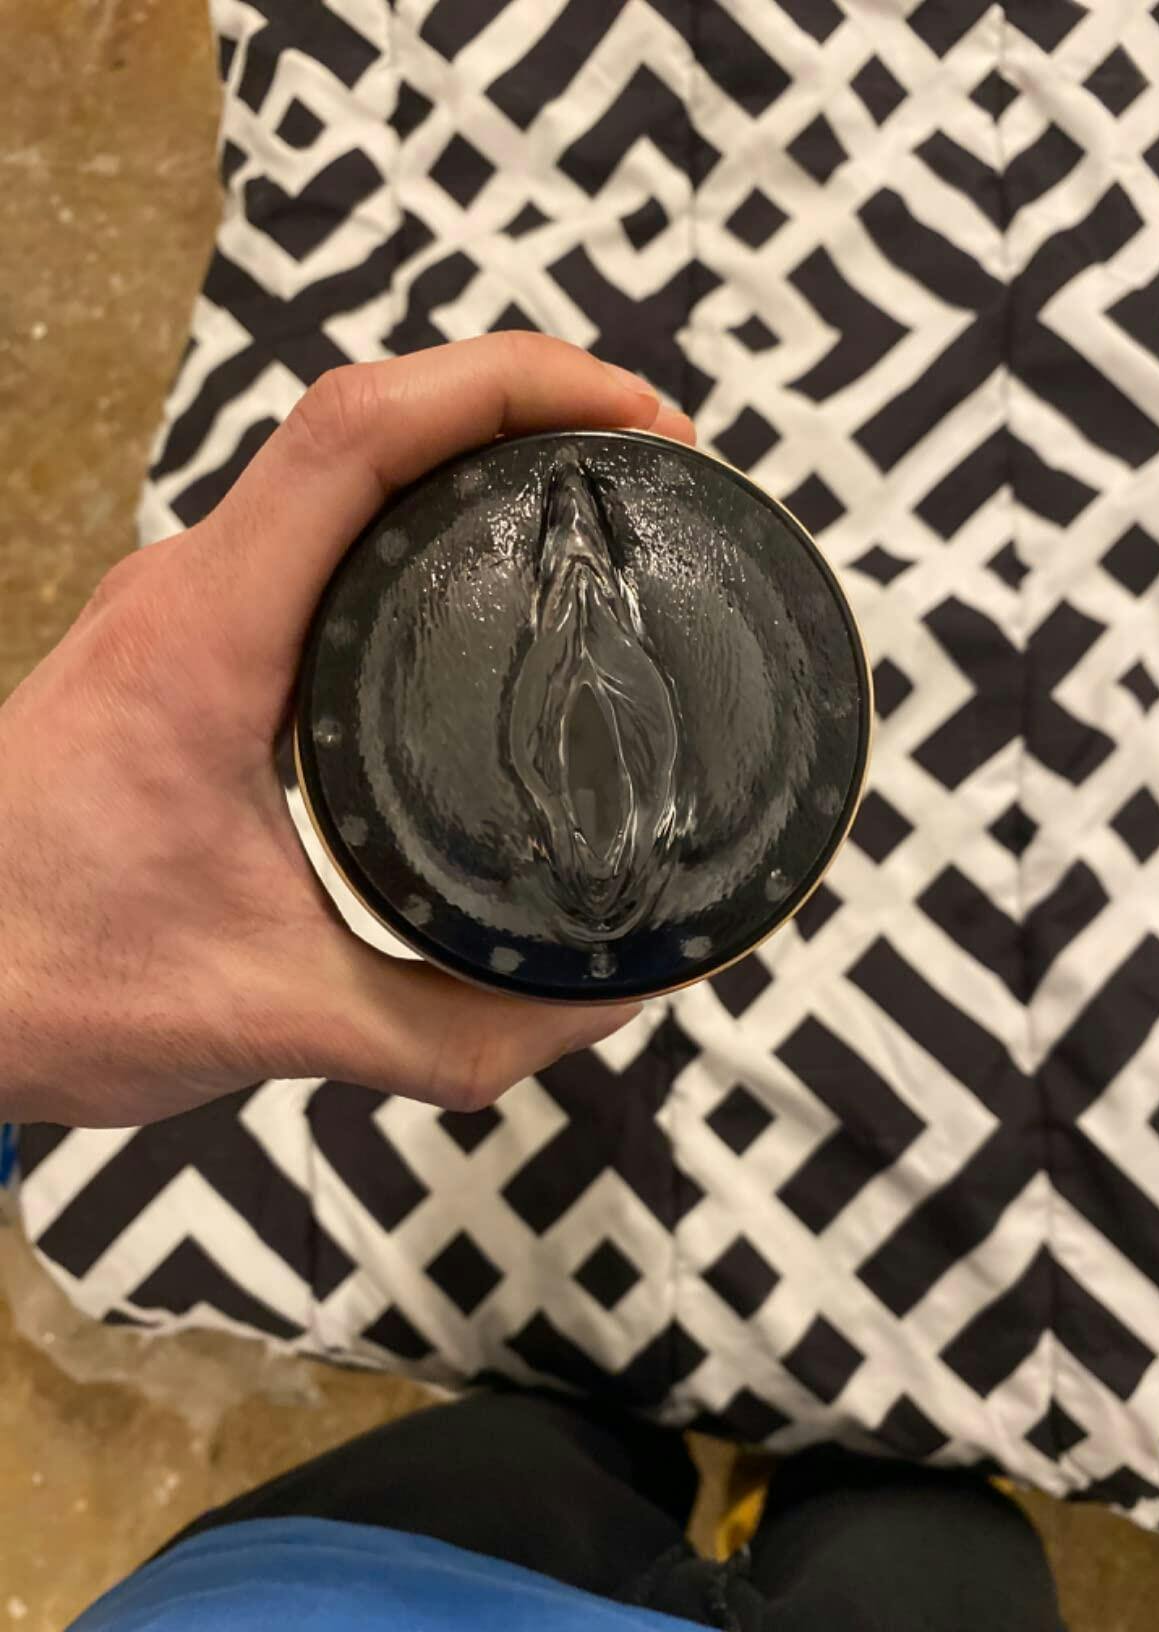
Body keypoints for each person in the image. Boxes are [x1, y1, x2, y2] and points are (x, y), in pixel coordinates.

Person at [1, 335, 1065, 1629]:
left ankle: (637, 1444)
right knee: (928, 1526)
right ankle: (769, 1468)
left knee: (529, 1455)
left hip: (303, 1597)